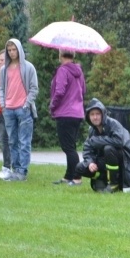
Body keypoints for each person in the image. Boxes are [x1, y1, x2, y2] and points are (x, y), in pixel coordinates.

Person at [75, 99, 130, 193]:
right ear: (88, 116)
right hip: (103, 161)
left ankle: (114, 184)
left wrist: (97, 140)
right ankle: (103, 178)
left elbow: (119, 141)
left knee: (108, 149)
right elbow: (87, 149)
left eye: (97, 114)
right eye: (92, 114)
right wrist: (90, 162)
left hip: (123, 161)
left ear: (103, 114)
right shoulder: (92, 130)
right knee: (80, 167)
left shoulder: (113, 124)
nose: (95, 117)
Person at [0, 38, 38, 182]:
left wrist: (26, 104)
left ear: (19, 50)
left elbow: (34, 88)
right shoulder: (4, 69)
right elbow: (1, 87)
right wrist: (2, 104)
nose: (12, 53)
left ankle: (23, 171)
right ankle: (15, 170)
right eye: (9, 50)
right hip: (8, 109)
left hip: (23, 109)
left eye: (14, 50)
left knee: (24, 141)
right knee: (12, 141)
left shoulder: (28, 67)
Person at [49, 50, 86, 186]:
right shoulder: (79, 71)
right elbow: (83, 90)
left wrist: (52, 106)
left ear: (60, 55)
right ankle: (68, 176)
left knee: (68, 148)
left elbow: (59, 91)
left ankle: (77, 178)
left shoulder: (63, 70)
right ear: (73, 55)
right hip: (77, 113)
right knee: (71, 146)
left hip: (65, 113)